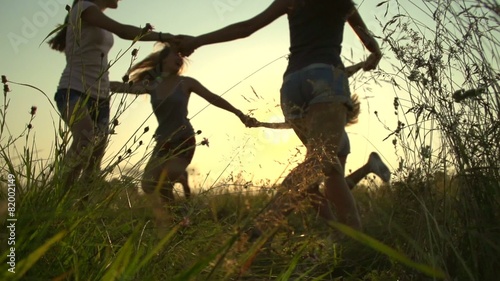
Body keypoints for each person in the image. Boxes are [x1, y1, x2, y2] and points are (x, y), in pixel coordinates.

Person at [178, 0, 382, 231]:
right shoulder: (343, 2)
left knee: (328, 167)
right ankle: (260, 226)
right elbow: (370, 44)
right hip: (326, 77)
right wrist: (374, 55)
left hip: (292, 85)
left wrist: (197, 41)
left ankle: (347, 239)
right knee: (321, 163)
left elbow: (246, 28)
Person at [48, 0, 178, 188]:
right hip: (74, 89)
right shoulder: (84, 7)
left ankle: (76, 206)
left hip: (100, 97)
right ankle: (52, 193)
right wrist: (162, 36)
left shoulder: (95, 17)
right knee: (84, 139)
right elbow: (123, 31)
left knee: (93, 160)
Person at [110, 42, 257, 205]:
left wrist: (239, 114)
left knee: (165, 183)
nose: (180, 58)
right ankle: (179, 189)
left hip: (183, 139)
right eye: (175, 54)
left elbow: (213, 97)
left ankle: (179, 221)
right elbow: (123, 87)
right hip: (163, 141)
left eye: (181, 56)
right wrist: (95, 83)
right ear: (163, 60)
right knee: (148, 186)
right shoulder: (152, 85)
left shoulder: (186, 82)